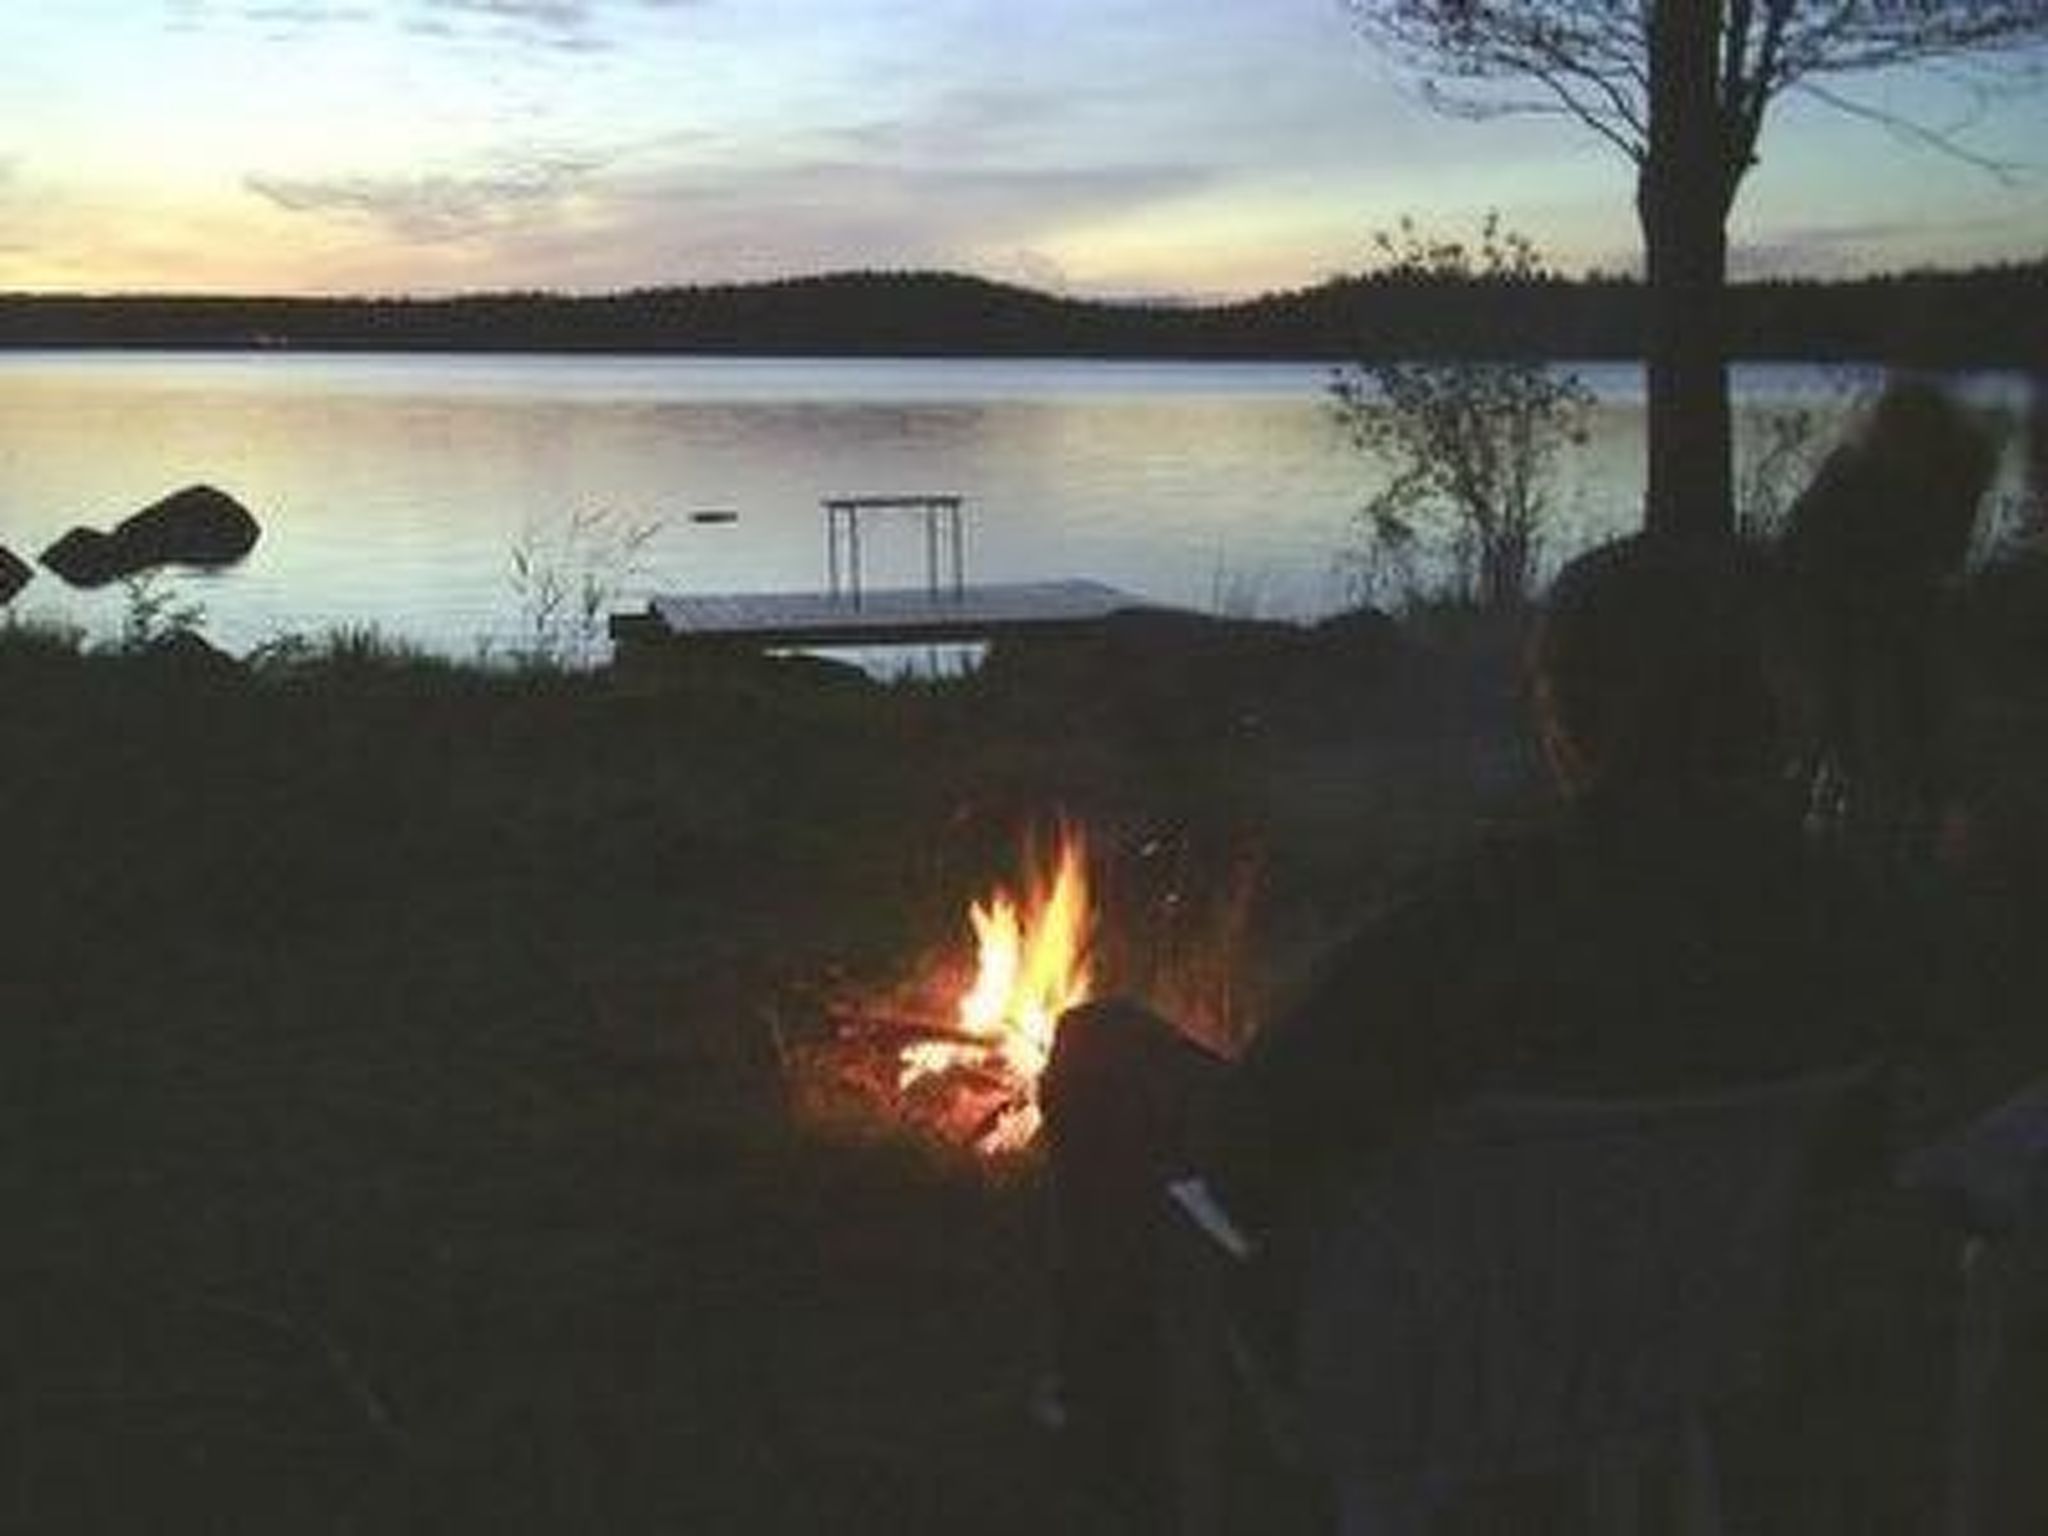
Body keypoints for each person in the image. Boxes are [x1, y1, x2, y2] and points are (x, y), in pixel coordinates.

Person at [1039, 533, 1924, 1524]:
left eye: (1545, 689)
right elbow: (1855, 1170)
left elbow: (1247, 1146)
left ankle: (1115, 1455)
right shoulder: (1836, 919)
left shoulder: (1500, 909)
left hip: (1420, 1353)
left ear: (1571, 715)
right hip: (1695, 1340)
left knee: (1101, 1052)